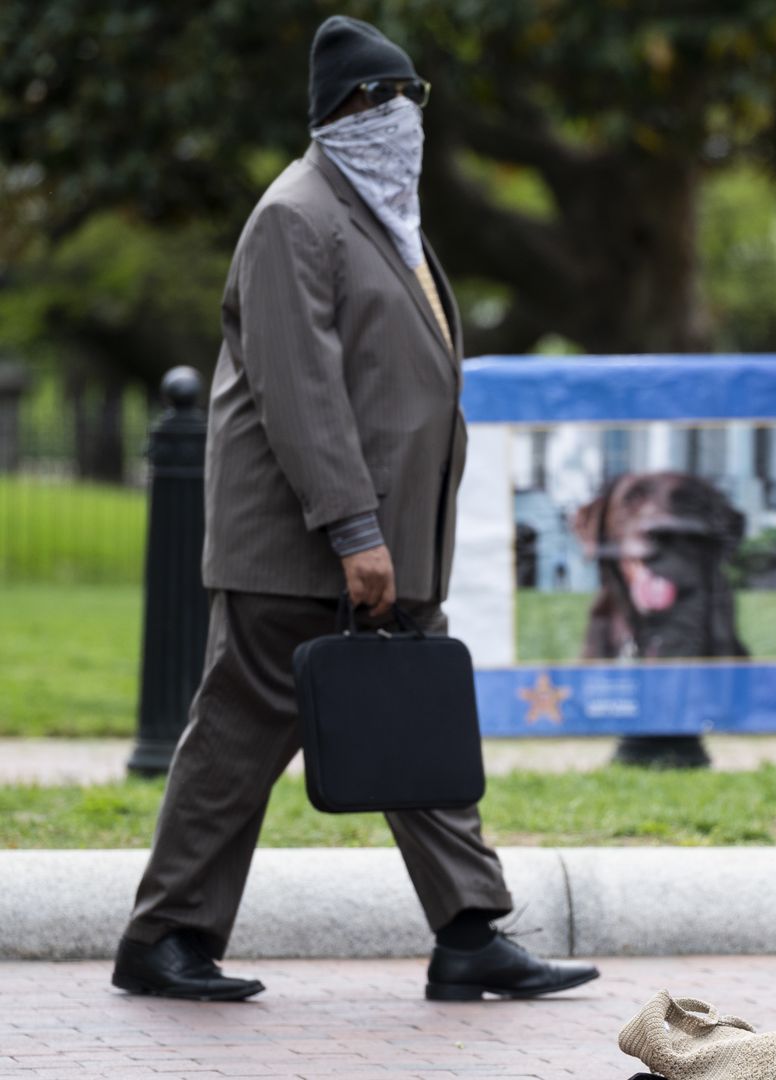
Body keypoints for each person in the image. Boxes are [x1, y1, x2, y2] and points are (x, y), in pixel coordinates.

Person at [111, 16, 598, 1003]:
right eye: (383, 100)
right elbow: (304, 392)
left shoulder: (384, 217)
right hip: (301, 550)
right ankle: (163, 940)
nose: (402, 118)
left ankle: (469, 932)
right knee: (239, 740)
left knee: (417, 724)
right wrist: (356, 530)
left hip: (374, 547)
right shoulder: (297, 215)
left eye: (412, 99)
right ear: (339, 114)